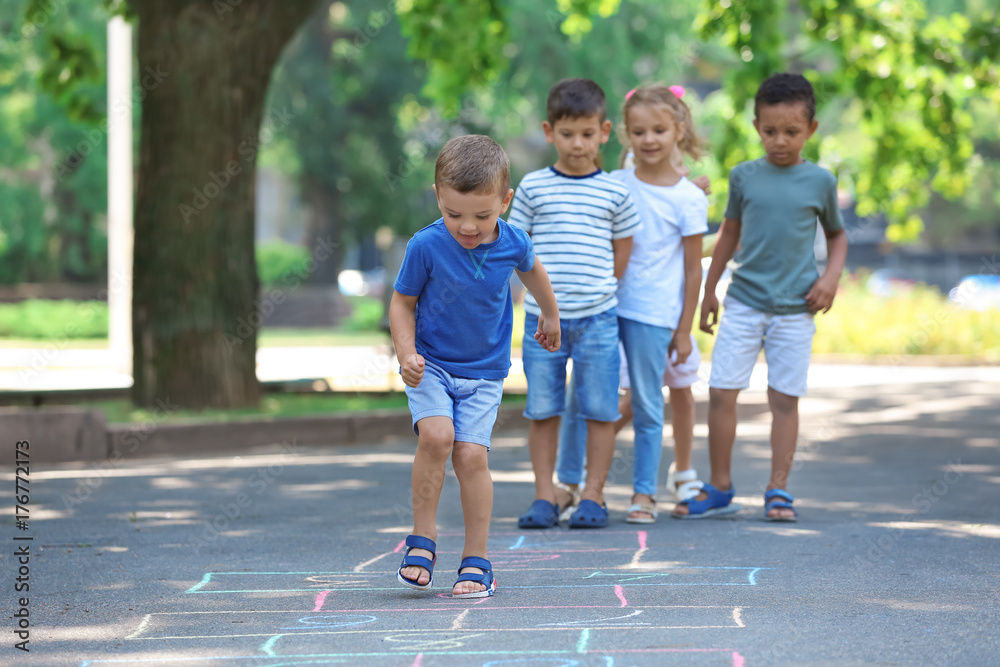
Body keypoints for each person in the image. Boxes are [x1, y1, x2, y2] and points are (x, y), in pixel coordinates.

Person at [672, 72, 848, 522]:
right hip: (745, 303)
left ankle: (779, 488)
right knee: (722, 391)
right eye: (770, 131)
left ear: (810, 130)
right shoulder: (744, 176)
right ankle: (721, 486)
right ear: (756, 126)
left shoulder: (820, 182)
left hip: (796, 310)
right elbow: (728, 234)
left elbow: (837, 236)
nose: (779, 140)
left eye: (791, 131)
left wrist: (831, 276)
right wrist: (710, 290)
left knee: (784, 398)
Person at [390, 135, 561, 597]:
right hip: (433, 366)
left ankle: (477, 559)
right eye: (454, 214)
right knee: (437, 436)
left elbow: (533, 270)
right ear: (438, 197)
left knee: (470, 456)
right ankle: (422, 539)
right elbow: (401, 304)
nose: (467, 228)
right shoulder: (426, 245)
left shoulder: (512, 242)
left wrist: (549, 312)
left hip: (484, 372)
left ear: (505, 202)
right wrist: (406, 354)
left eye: (482, 216)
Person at [555, 84, 709, 524]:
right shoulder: (614, 183)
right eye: (639, 131)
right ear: (623, 134)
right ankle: (575, 486)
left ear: (678, 130)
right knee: (584, 397)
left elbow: (693, 270)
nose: (649, 140)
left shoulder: (688, 198)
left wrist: (684, 329)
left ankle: (644, 492)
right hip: (602, 308)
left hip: (655, 315)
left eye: (659, 130)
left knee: (646, 401)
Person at [510, 78, 641, 530]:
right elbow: (518, 249)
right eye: (567, 134)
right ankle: (546, 496)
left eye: (588, 134)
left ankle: (594, 495)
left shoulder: (615, 192)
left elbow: (623, 248)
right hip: (542, 320)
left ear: (604, 132)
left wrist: (602, 286)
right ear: (549, 132)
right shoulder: (532, 187)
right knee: (543, 408)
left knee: (601, 408)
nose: (578, 144)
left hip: (598, 318)